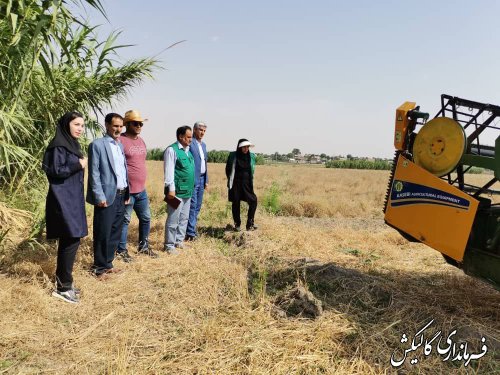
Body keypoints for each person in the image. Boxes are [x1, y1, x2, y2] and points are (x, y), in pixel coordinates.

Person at [42, 111, 88, 304]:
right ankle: (63, 288)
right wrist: (78, 164)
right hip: (62, 199)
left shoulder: (71, 144)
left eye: (83, 125)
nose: (80, 129)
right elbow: (54, 171)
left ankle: (65, 284)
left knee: (72, 240)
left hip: (72, 198)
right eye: (77, 124)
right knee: (70, 238)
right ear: (66, 125)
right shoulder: (58, 146)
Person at [86, 113, 129, 278]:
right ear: (107, 125)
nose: (118, 129)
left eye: (120, 126)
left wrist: (127, 191)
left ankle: (108, 263)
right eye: (115, 126)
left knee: (115, 231)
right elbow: (94, 173)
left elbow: (123, 171)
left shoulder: (120, 145)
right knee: (102, 232)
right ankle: (98, 268)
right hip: (106, 196)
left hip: (121, 194)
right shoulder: (97, 145)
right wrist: (99, 196)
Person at [118, 110, 157, 258]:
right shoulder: (120, 140)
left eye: (141, 123)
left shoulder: (141, 141)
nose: (139, 125)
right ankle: (121, 251)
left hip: (141, 190)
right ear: (127, 124)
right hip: (128, 191)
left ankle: (144, 246)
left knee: (146, 218)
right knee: (125, 221)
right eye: (136, 123)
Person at [163, 126, 194, 254]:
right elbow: (169, 171)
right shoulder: (172, 150)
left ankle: (178, 241)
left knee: (184, 218)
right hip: (175, 192)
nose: (191, 140)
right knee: (173, 218)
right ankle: (169, 245)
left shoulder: (188, 150)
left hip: (187, 191)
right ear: (180, 137)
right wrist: (171, 189)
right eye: (188, 137)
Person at [225, 139, 258, 231]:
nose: (246, 149)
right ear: (240, 147)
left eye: (247, 147)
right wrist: (231, 179)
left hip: (247, 184)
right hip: (236, 184)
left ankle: (250, 224)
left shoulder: (251, 156)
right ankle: (237, 224)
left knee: (254, 201)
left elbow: (252, 169)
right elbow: (228, 169)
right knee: (236, 203)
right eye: (244, 147)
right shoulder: (233, 156)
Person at [185, 121, 209, 241]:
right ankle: (190, 233)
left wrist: (206, 180)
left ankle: (191, 229)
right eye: (200, 130)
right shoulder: (190, 143)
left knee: (198, 206)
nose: (202, 132)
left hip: (202, 178)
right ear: (194, 130)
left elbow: (205, 163)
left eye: (204, 130)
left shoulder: (203, 145)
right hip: (192, 180)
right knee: (192, 206)